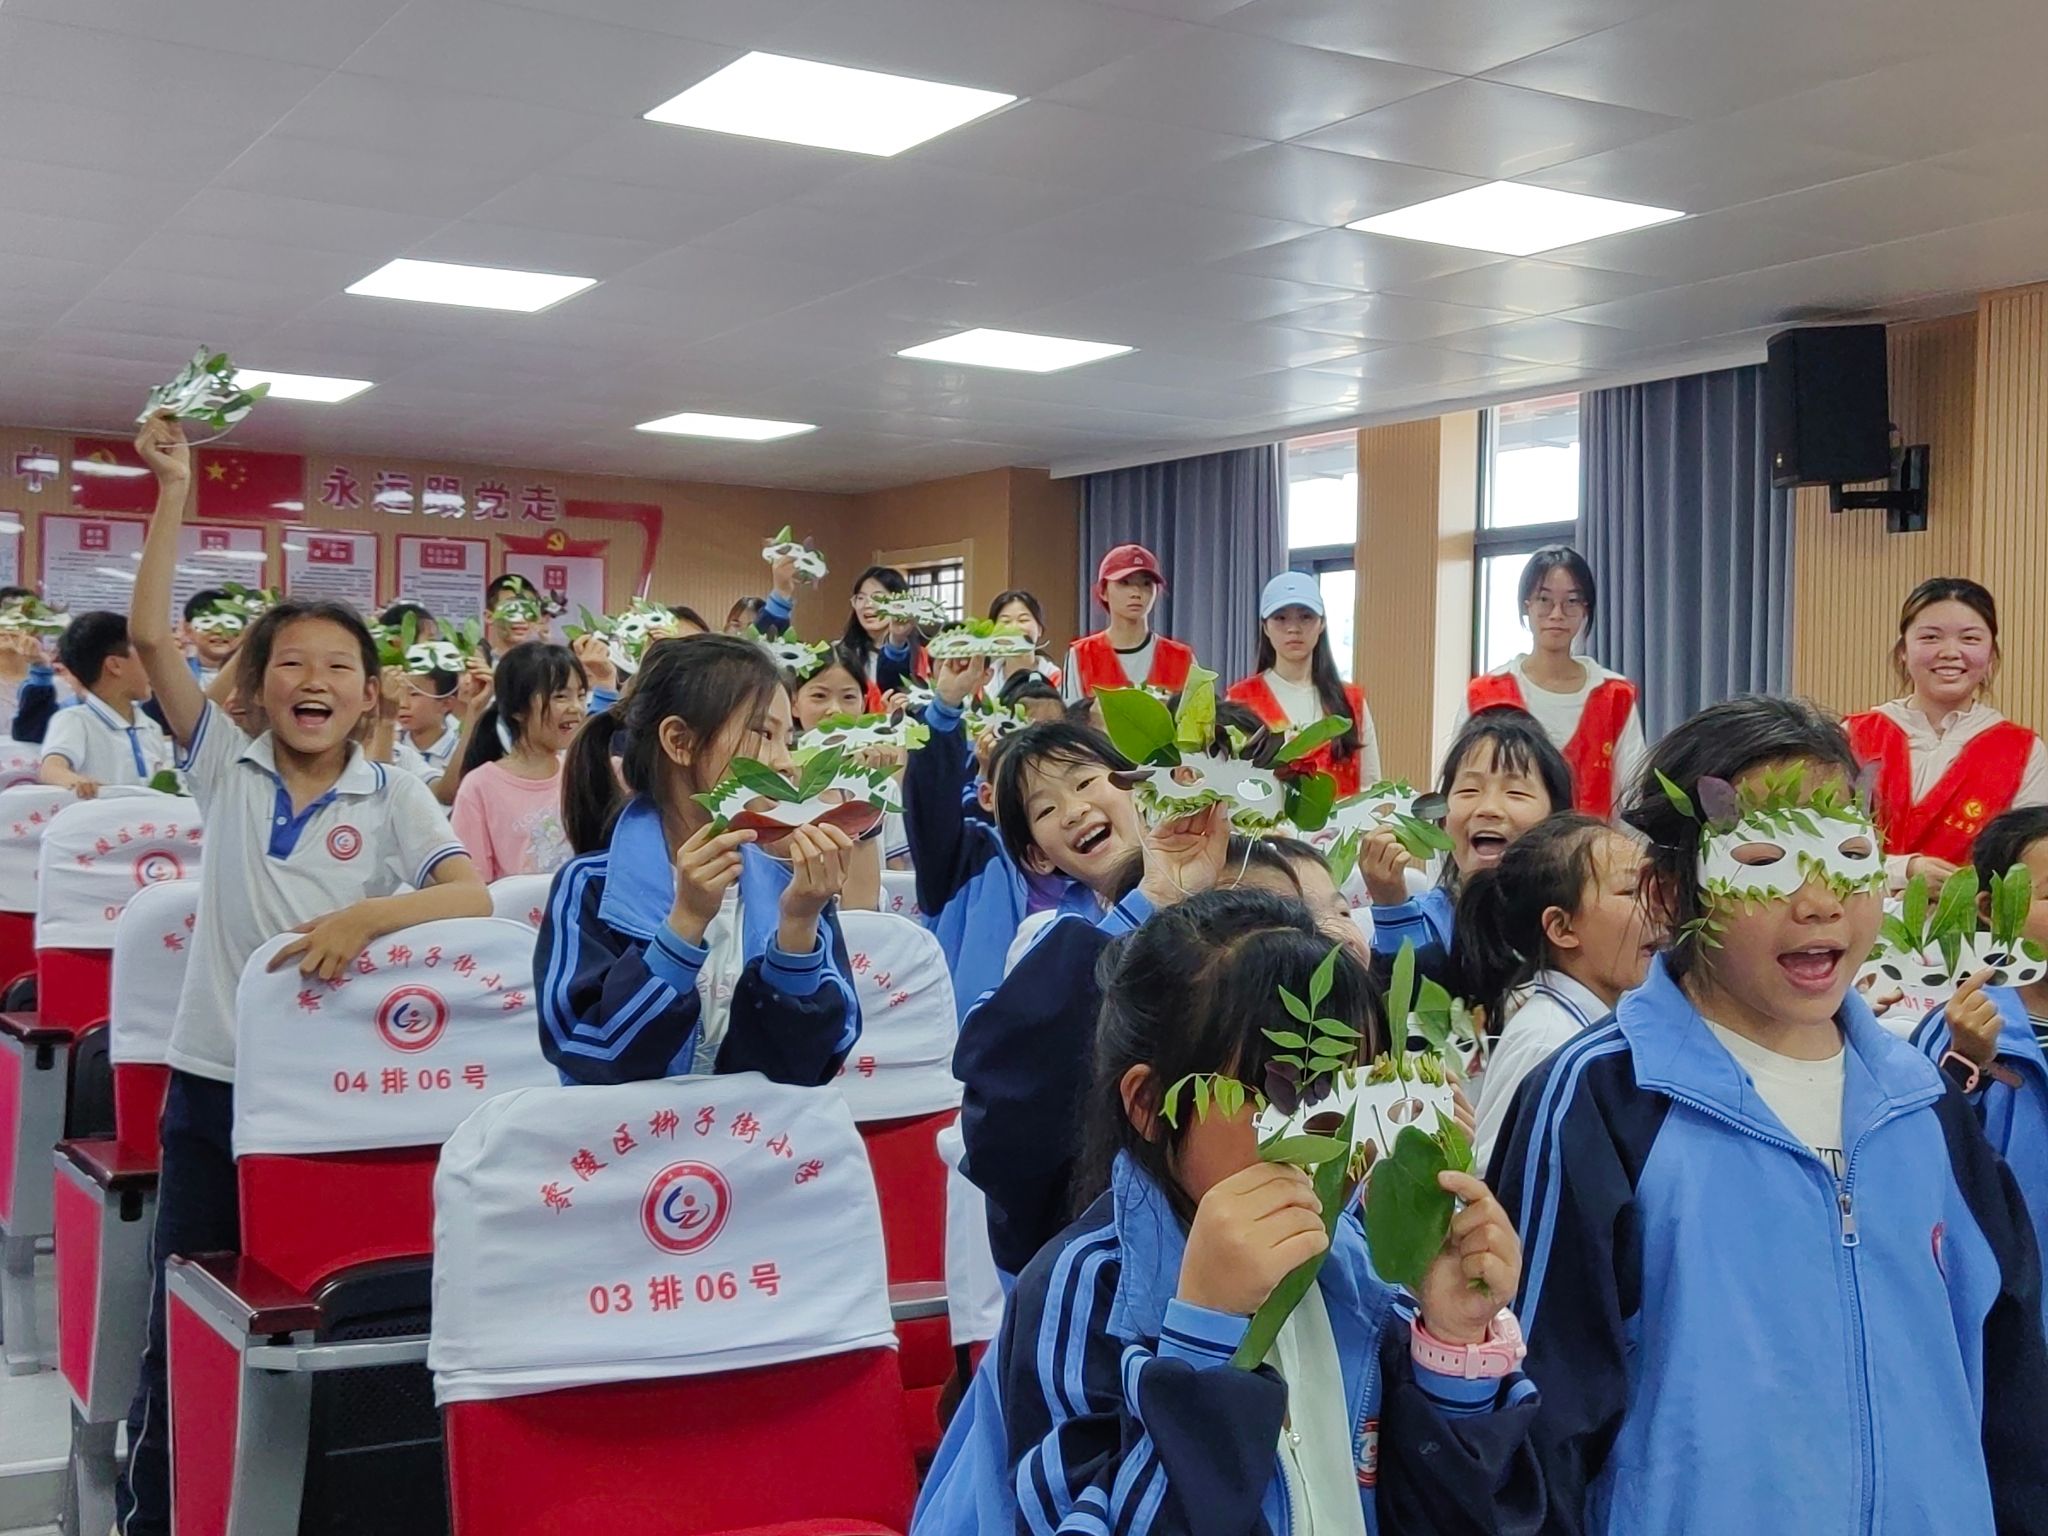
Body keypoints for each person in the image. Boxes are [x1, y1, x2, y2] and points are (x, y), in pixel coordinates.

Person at [1490, 693, 2048, 1534]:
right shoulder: (1605, 1098)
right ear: (1673, 892)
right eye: (1764, 861)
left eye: (1849, 855)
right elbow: (1541, 1421)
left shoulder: (1924, 1104)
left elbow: (2011, 1390)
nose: (1819, 902)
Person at [118, 413, 489, 1536]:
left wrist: (372, 913)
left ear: (372, 695)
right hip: (214, 1088)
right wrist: (173, 491)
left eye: (338, 667)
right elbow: (149, 635)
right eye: (291, 663)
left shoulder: (395, 791)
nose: (313, 680)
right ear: (256, 688)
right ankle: (160, 1512)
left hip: (331, 1109)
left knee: (314, 1330)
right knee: (186, 1320)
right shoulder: (221, 764)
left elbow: (469, 895)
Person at [917, 887, 1542, 1536]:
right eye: (1286, 1093)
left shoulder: (1361, 1277)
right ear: (1150, 1104)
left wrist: (1452, 1346)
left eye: (1355, 1089)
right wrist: (1203, 1343)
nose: (1328, 1135)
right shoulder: (1086, 1290)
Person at [540, 635, 860, 1087]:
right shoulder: (590, 886)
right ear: (680, 741)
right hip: (634, 1133)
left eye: (788, 739)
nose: (786, 763)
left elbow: (811, 1067)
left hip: (752, 1131)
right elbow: (590, 1052)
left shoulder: (792, 887)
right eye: (764, 734)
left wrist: (798, 927)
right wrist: (686, 922)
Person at [905, 652, 1143, 1021]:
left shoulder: (1176, 877)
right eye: (1043, 808)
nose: (1074, 811)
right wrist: (945, 708)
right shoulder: (968, 864)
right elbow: (930, 801)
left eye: (1082, 783)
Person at [1455, 814, 1659, 1170]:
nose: (1658, 906)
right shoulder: (1545, 1043)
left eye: (1654, 887)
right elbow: (1497, 1180)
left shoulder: (1603, 1026)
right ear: (1562, 928)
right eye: (1631, 891)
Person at [1912, 804, 2048, 1327]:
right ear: (1991, 910)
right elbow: (1927, 1162)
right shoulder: (1959, 1027)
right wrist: (1967, 1062)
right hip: (2011, 1319)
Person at [1844, 577, 2048, 889]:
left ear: (1991, 655)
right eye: (1930, 637)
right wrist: (1904, 870)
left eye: (1970, 639)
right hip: (1857, 912)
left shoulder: (2024, 751)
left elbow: (2026, 866)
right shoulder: (1852, 735)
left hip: (1971, 918)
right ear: (1903, 650)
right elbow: (1820, 843)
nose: (1950, 652)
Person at [1360, 707, 1572, 972]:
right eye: (1469, 790)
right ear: (1442, 820)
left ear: (1557, 821)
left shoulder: (1576, 923)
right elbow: (1406, 993)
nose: (1488, 808)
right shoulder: (1423, 919)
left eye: (1516, 792)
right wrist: (1391, 907)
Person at [1456, 546, 1646, 819]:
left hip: (1588, 843)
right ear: (1527, 606)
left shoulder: (1615, 696)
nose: (1557, 614)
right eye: (1544, 599)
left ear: (1585, 609)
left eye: (1571, 601)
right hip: (1505, 841)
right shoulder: (1485, 694)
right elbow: (1460, 784)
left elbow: (1632, 795)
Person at [1228, 570, 1378, 794]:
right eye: (1280, 618)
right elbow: (1227, 783)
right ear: (1265, 627)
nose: (1293, 628)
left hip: (1346, 817)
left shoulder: (1351, 701)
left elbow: (1371, 786)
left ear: (1322, 623)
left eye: (1305, 617)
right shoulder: (1240, 699)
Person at [449, 642, 587, 882]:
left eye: (581, 695)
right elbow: (475, 884)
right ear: (518, 709)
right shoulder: (479, 787)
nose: (576, 707)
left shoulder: (580, 773)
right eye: (560, 696)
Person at [37, 610, 171, 795]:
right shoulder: (75, 720)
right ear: (114, 665)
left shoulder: (151, 727)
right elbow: (51, 769)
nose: (154, 665)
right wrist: (75, 781)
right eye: (143, 655)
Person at [1061, 543, 1194, 701]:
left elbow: (1200, 713)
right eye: (1124, 583)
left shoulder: (1182, 658)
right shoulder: (1081, 655)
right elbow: (1070, 714)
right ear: (1103, 591)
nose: (1136, 593)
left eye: (1146, 584)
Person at [842, 564, 926, 710]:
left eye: (878, 598)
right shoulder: (841, 653)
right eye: (860, 598)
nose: (868, 605)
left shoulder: (922, 656)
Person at [985, 588, 1062, 692]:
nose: (1014, 628)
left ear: (1039, 629)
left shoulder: (1056, 679)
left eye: (1023, 620)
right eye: (1006, 621)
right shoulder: (983, 681)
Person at [178, 588, 243, 690]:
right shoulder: (177, 673)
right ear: (188, 629)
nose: (218, 631)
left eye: (230, 622)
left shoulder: (256, 676)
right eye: (207, 622)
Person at [482, 572, 546, 662]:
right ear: (489, 617)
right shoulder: (478, 664)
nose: (520, 619)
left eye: (528, 609)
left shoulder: (547, 666)